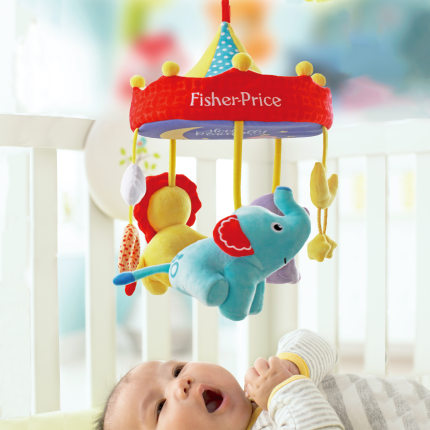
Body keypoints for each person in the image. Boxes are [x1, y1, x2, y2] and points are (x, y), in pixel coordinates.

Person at [95, 329, 430, 430]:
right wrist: (283, 391)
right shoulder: (277, 396)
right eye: (159, 407)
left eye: (177, 369)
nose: (179, 384)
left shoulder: (263, 386)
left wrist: (290, 366)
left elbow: (321, 347)